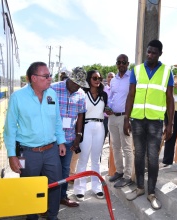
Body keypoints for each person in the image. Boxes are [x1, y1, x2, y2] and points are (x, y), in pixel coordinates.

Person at [3, 61, 66, 220]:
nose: (50, 79)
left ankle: (52, 216)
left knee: (55, 185)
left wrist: (61, 141)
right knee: (30, 189)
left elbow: (57, 120)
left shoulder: (52, 94)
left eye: (50, 75)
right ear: (34, 78)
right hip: (28, 153)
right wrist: (12, 155)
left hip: (51, 151)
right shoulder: (18, 97)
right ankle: (32, 218)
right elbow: (10, 128)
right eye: (46, 76)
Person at [123, 39, 174, 210]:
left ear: (160, 53)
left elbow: (169, 99)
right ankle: (139, 188)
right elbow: (131, 95)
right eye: (148, 51)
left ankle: (151, 193)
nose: (150, 55)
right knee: (138, 155)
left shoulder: (167, 72)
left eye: (153, 52)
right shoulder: (136, 70)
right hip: (137, 120)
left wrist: (170, 123)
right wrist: (126, 119)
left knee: (152, 158)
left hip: (155, 122)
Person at [51, 67, 88, 208]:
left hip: (69, 138)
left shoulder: (81, 94)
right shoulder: (53, 89)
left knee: (65, 169)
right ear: (70, 79)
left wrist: (78, 137)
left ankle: (62, 197)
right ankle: (47, 202)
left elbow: (80, 115)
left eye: (80, 84)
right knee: (50, 170)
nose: (78, 86)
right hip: (52, 139)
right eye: (76, 83)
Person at [73, 70, 107, 201]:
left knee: (96, 159)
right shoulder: (83, 93)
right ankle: (79, 189)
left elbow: (103, 110)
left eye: (99, 78)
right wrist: (78, 132)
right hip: (86, 126)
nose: (98, 80)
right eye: (95, 78)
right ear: (89, 79)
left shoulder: (104, 94)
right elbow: (80, 114)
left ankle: (96, 187)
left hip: (99, 126)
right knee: (83, 158)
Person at [106, 54, 134, 188]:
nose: (121, 64)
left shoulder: (132, 78)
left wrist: (129, 118)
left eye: (124, 62)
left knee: (127, 147)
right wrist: (107, 107)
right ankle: (119, 171)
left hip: (125, 117)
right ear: (116, 64)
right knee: (115, 146)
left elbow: (134, 97)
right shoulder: (114, 80)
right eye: (119, 62)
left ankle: (128, 176)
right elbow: (111, 96)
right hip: (112, 117)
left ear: (128, 64)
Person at [103, 72, 115, 142]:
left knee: (113, 140)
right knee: (102, 137)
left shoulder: (117, 90)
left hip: (114, 117)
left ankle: (112, 153)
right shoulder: (103, 89)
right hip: (105, 118)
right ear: (106, 78)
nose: (110, 78)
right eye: (109, 77)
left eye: (112, 77)